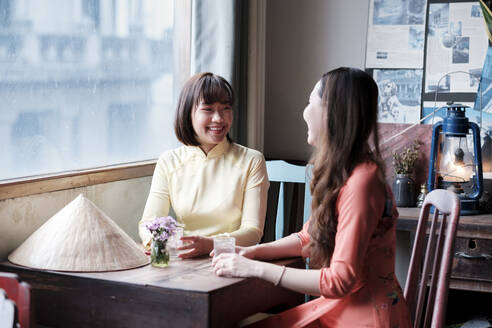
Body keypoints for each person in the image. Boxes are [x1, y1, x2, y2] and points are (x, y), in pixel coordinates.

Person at [212, 67, 412, 327]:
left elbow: (339, 281)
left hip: (363, 315)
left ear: (331, 112)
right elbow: (310, 237)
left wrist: (255, 269)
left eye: (310, 102)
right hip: (344, 307)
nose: (305, 112)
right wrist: (253, 252)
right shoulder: (349, 172)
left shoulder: (363, 181)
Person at [139, 72, 269, 258]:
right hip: (183, 257)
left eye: (226, 108)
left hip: (231, 259)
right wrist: (158, 243)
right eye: (208, 109)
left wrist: (211, 244)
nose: (219, 118)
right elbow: (149, 222)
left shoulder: (251, 160)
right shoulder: (169, 161)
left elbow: (253, 231)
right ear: (187, 113)